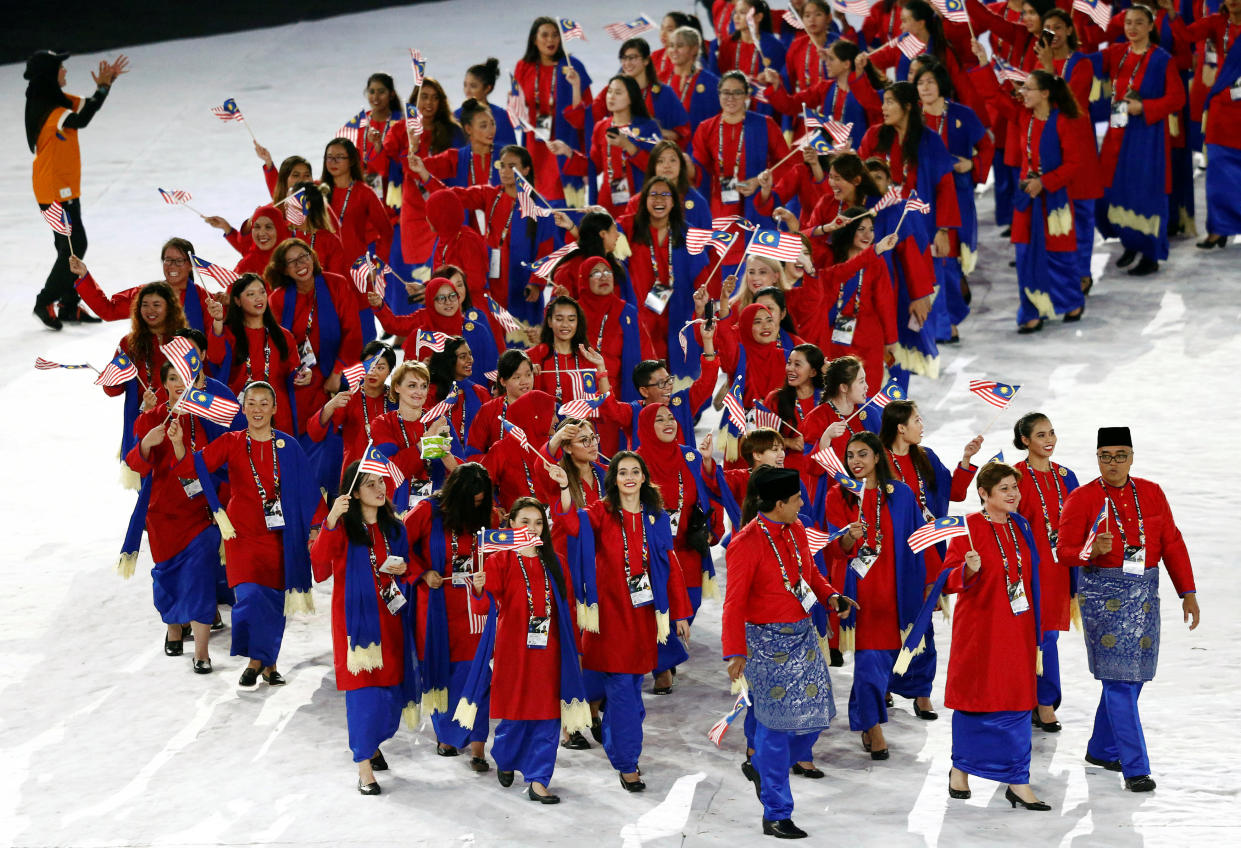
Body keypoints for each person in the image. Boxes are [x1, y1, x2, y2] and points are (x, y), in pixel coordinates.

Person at [1056, 426, 1200, 792]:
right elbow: (1064, 552)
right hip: (1102, 596)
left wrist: (1188, 590)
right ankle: (1135, 766)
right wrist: (1092, 551)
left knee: (1133, 678)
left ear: (1132, 457)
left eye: (1121, 455)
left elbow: (1172, 542)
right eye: (1106, 456)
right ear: (1098, 458)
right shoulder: (1081, 498)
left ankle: (1101, 749)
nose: (1113, 463)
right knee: (1118, 680)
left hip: (1144, 595)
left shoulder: (1151, 493)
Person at [722, 465, 855, 839]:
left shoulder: (796, 529)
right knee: (774, 729)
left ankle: (765, 767)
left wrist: (831, 595)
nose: (802, 503)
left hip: (803, 637)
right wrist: (735, 651)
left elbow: (809, 574)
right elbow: (733, 604)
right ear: (778, 503)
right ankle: (776, 812)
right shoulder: (744, 544)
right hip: (764, 646)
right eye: (796, 499)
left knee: (817, 717)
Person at [556, 451, 693, 792]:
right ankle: (628, 763)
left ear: (644, 477)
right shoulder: (601, 513)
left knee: (630, 690)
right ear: (613, 479)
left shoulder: (656, 517)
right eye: (622, 472)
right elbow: (571, 524)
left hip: (645, 617)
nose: (629, 477)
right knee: (623, 692)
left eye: (635, 471)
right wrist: (562, 491)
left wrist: (679, 613)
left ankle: (619, 746)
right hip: (610, 619)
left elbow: (669, 564)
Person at [177, 381, 322, 687]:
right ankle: (259, 660)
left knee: (272, 602)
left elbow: (309, 488)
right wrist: (179, 444)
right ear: (243, 408)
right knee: (249, 598)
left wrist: (314, 528)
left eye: (264, 403)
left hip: (280, 537)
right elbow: (195, 467)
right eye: (251, 403)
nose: (257, 410)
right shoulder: (231, 441)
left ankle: (266, 663)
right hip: (240, 535)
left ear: (275, 408)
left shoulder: (288, 445)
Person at [462, 496, 590, 804]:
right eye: (524, 522)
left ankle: (538, 779)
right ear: (510, 525)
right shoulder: (500, 560)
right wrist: (478, 588)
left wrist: (576, 652)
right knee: (516, 714)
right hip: (513, 648)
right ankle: (505, 757)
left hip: (551, 649)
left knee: (548, 714)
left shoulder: (556, 561)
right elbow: (485, 607)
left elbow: (568, 607)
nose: (532, 528)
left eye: (538, 522)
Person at [941, 461, 1051, 811]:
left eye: (1014, 487)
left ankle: (1018, 780)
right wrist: (966, 569)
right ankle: (961, 770)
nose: (1012, 494)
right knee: (976, 696)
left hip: (1018, 627)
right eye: (1003, 488)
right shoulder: (967, 529)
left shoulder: (1021, 527)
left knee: (1019, 698)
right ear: (983, 494)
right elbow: (946, 580)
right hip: (981, 629)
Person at [311, 461, 418, 795]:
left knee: (390, 698)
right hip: (356, 626)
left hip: (391, 619)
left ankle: (372, 743)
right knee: (363, 694)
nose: (379, 488)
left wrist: (406, 570)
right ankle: (364, 767)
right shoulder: (343, 528)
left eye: (381, 482)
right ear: (354, 493)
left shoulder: (396, 528)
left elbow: (409, 565)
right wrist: (329, 521)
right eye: (370, 484)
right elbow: (319, 569)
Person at [125, 360, 233, 672]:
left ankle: (202, 651)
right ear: (164, 384)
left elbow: (220, 466)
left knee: (200, 579)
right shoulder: (150, 420)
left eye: (185, 378)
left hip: (199, 515)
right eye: (172, 378)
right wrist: (147, 443)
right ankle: (173, 626)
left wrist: (183, 451)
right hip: (162, 518)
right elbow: (135, 465)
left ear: (196, 384)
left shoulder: (207, 420)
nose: (178, 383)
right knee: (167, 578)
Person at [823, 432, 926, 760]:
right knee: (869, 663)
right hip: (859, 594)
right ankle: (874, 728)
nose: (855, 461)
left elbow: (917, 543)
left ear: (878, 457)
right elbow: (835, 551)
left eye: (863, 454)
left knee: (884, 664)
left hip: (896, 594)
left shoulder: (901, 494)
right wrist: (849, 540)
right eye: (850, 455)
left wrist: (928, 587)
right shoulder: (837, 496)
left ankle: (865, 720)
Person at [26, 49, 127, 329]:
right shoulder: (48, 110)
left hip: (66, 189)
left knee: (68, 248)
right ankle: (45, 300)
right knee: (75, 245)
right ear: (49, 74)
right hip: (54, 192)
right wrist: (103, 89)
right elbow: (80, 119)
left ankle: (69, 306)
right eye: (61, 67)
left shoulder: (56, 101)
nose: (65, 72)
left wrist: (103, 89)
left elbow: (87, 107)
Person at [405, 462, 497, 768]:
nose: (477, 507)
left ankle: (478, 745)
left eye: (481, 501)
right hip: (436, 609)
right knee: (444, 672)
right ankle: (446, 734)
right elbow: (400, 548)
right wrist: (422, 572)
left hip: (477, 606)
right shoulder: (426, 512)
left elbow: (500, 555)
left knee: (478, 674)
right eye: (471, 501)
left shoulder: (489, 516)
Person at [1096, 4, 1186, 276]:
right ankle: (1130, 242)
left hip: (1147, 135)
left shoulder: (1162, 59)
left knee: (1143, 193)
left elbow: (1177, 98)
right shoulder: (1117, 52)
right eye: (1128, 23)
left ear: (1150, 27)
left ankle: (1151, 253)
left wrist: (1145, 108)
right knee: (1115, 189)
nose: (1132, 28)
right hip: (1118, 126)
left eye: (1138, 23)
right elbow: (1085, 61)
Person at [1012, 411, 1079, 731]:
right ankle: (1030, 700)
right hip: (1026, 570)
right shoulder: (1014, 476)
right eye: (1041, 435)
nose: (1049, 439)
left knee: (1047, 636)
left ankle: (1045, 701)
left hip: (1058, 570)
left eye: (1052, 432)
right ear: (1025, 441)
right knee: (1027, 637)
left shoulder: (1067, 476)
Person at [206, 273, 304, 437]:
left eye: (262, 292)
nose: (259, 298)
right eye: (251, 294)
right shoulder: (228, 332)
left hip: (278, 413)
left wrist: (302, 374)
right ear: (237, 300)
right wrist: (217, 322)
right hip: (243, 412)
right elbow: (215, 358)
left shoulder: (283, 335)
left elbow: (294, 369)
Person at [71, 238, 217, 333]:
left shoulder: (205, 299)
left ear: (191, 265)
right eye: (167, 260)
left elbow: (216, 345)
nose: (172, 266)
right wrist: (85, 276)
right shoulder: (148, 294)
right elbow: (109, 311)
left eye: (179, 261)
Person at [456, 57, 519, 149]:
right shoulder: (456, 116)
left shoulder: (502, 117)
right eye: (465, 85)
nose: (467, 91)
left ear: (487, 88)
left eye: (473, 86)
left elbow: (511, 150)